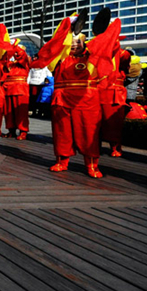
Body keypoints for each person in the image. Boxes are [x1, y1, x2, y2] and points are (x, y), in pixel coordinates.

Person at [31, 14, 121, 178]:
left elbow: (107, 46)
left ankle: (92, 165)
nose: (74, 44)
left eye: (78, 41)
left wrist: (109, 28)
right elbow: (56, 44)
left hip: (87, 100)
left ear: (85, 43)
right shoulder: (59, 59)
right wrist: (68, 25)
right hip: (62, 99)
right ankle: (61, 161)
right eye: (72, 41)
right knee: (62, 132)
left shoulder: (93, 58)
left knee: (89, 133)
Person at [2, 42, 31, 140]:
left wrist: (14, 46)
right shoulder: (10, 64)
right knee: (8, 111)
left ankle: (23, 131)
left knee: (21, 112)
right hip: (8, 88)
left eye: (17, 52)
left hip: (20, 88)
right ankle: (11, 130)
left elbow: (21, 55)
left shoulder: (25, 62)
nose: (15, 54)